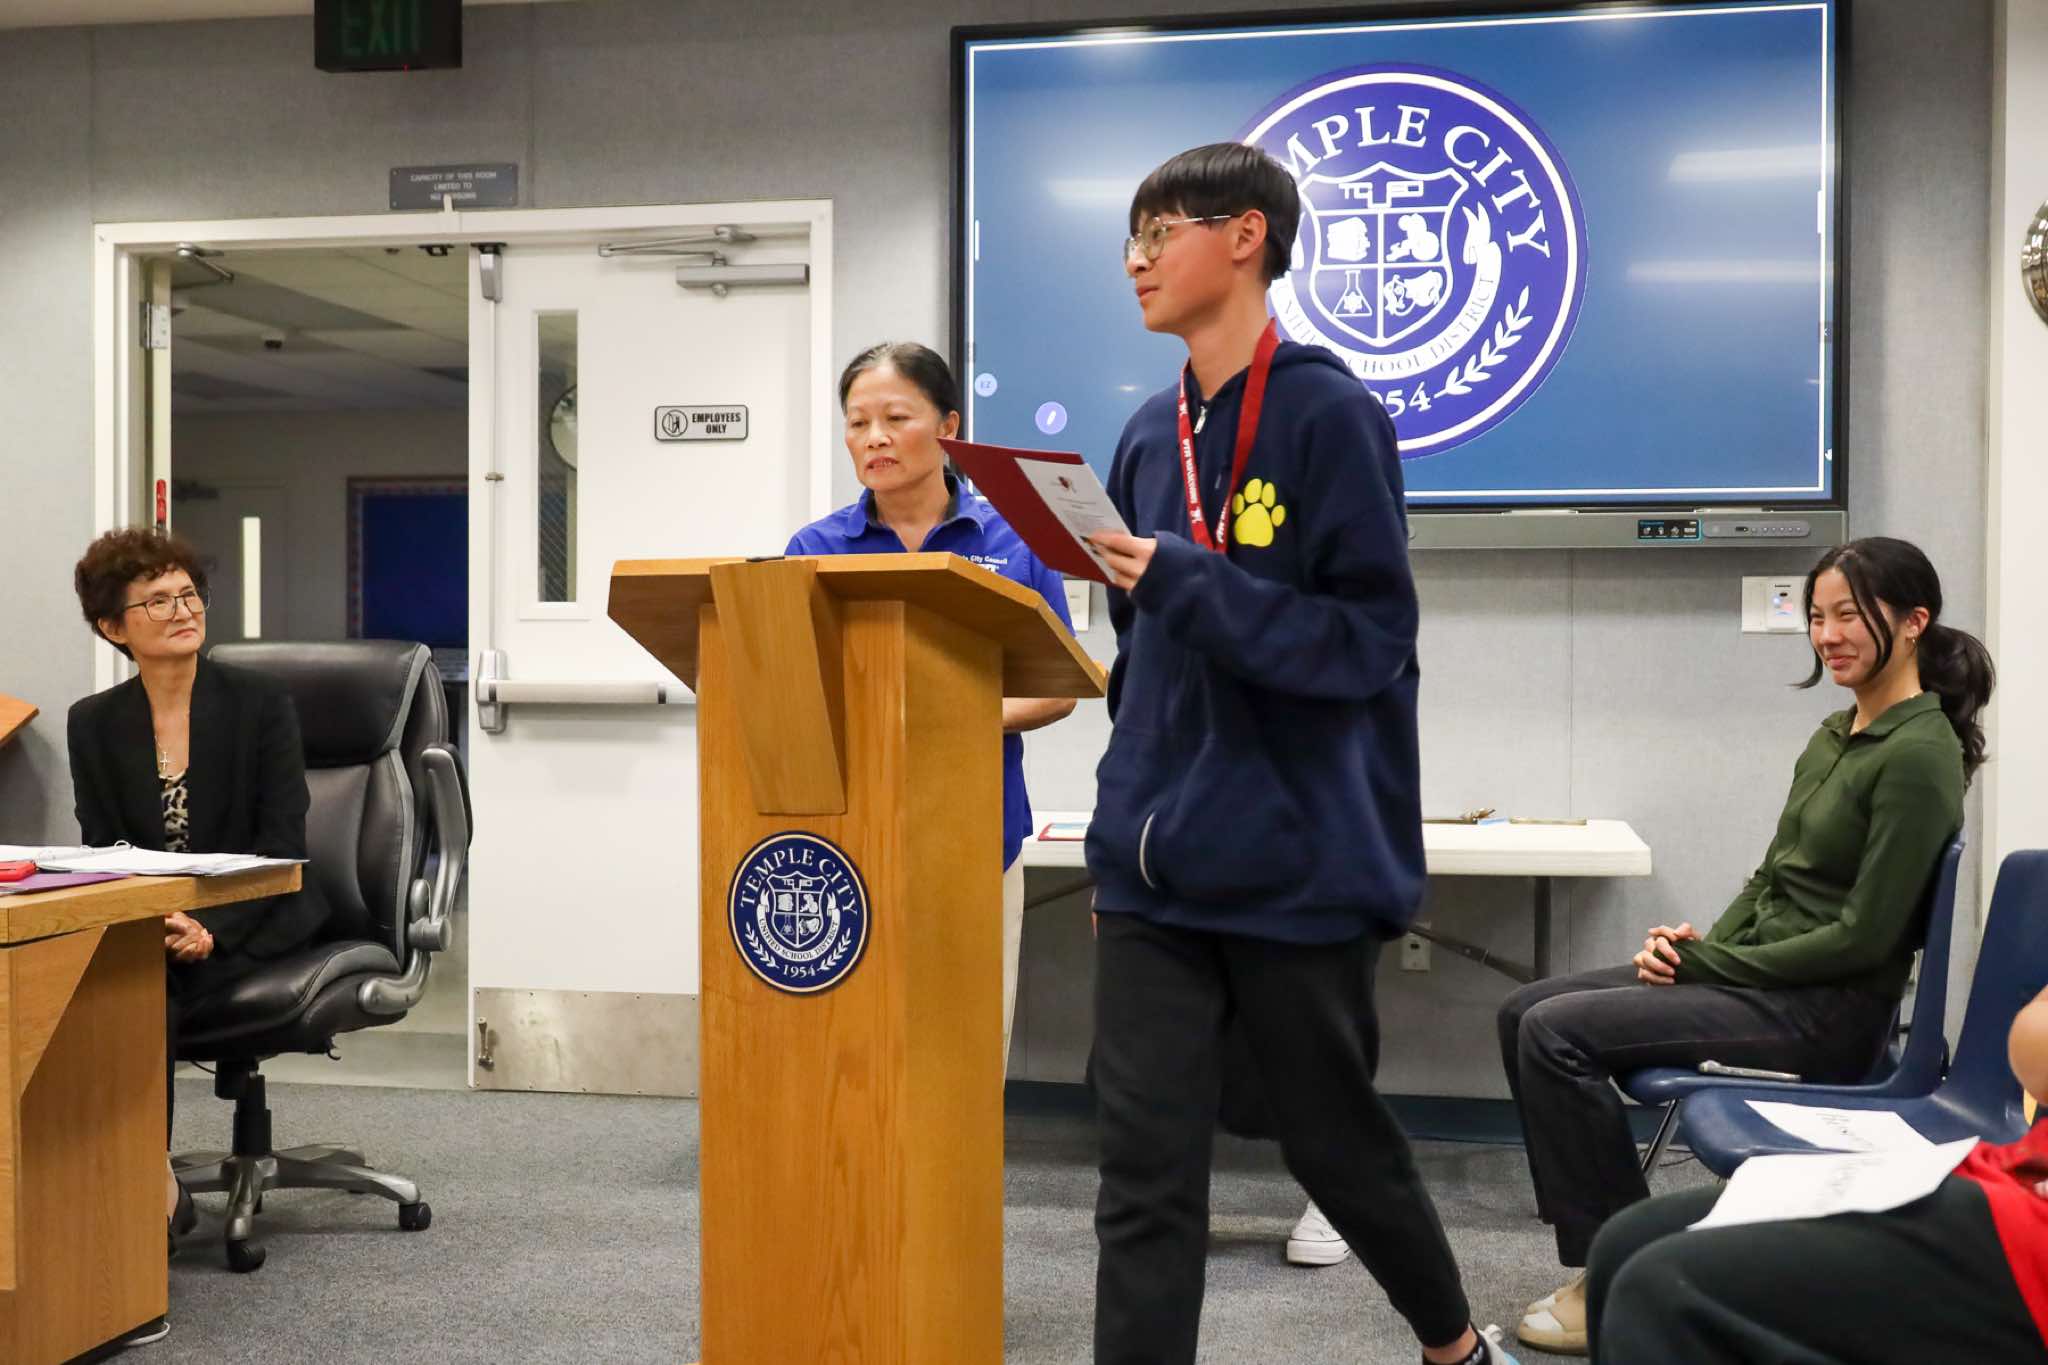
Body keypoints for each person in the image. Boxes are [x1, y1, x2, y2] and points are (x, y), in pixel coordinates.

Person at [1083, 142, 1516, 1365]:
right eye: (1130, 238)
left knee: (1333, 1143)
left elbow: (1368, 642)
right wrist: (1128, 810)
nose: (1136, 260)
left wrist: (1192, 582)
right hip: (1153, 871)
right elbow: (1139, 653)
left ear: (1246, 238)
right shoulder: (1142, 436)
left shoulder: (1329, 415)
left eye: (1159, 231)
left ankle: (1451, 1345)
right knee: (1141, 1174)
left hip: (1292, 866)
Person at [1497, 535, 1995, 1354]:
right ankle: (1612, 1245)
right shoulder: (1835, 734)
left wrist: (1707, 964)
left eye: (1848, 615)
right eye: (1816, 616)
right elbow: (1773, 877)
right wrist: (1694, 945)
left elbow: (1863, 939)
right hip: (1767, 983)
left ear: (1914, 622)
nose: (1827, 634)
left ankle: (1612, 1269)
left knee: (1555, 1034)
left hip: (1827, 1012)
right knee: (1523, 1009)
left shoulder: (1918, 754)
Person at [785, 342, 1075, 1062]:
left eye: (895, 418)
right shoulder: (816, 547)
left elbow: (1058, 686)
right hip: (846, 837)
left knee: (967, 1049)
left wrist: (948, 717)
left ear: (947, 426)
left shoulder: (1017, 541)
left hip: (977, 831)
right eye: (858, 423)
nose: (874, 438)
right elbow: (793, 685)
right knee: (860, 1047)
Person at [67, 529, 332, 1271]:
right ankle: (125, 1183)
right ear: (113, 626)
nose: (183, 610)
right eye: (157, 600)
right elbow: (105, 849)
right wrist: (159, 917)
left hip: (262, 910)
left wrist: (209, 926)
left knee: (139, 987)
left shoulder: (259, 702)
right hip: (156, 920)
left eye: (188, 594)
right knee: (81, 979)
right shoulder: (93, 721)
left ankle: (144, 1193)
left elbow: (281, 847)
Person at [1584, 981, 2048, 1364]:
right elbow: (2031, 1050)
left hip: (2031, 1233)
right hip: (2014, 1169)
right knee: (1625, 1241)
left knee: (1661, 1292)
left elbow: (1853, 946)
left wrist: (1705, 963)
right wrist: (1690, 956)